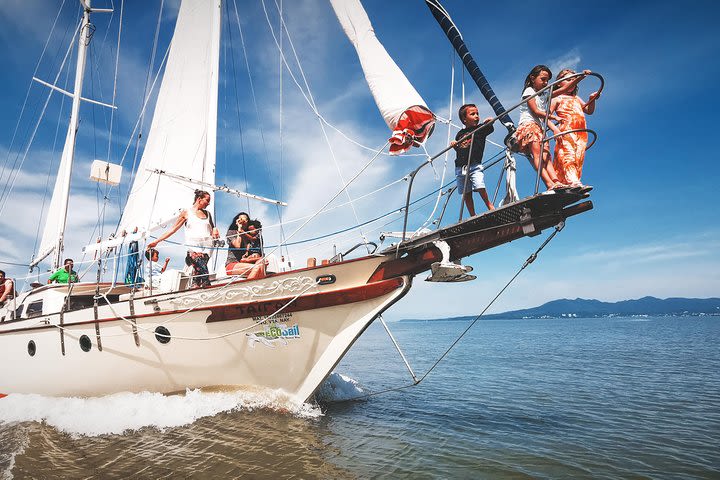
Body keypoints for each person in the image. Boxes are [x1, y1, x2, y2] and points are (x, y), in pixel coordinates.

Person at [514, 65, 588, 190]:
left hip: (539, 128)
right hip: (529, 125)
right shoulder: (529, 91)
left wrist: (580, 78)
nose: (545, 83)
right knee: (538, 156)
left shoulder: (545, 94)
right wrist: (555, 119)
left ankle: (557, 182)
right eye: (543, 79)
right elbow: (536, 111)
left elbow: (564, 88)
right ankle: (550, 184)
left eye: (547, 80)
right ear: (533, 78)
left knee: (546, 157)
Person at [147, 189, 220, 288]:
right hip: (193, 249)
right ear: (199, 199)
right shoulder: (186, 213)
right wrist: (156, 242)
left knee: (198, 275)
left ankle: (194, 290)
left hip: (207, 249)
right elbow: (173, 229)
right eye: (207, 200)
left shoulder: (208, 214)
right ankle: (208, 288)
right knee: (204, 273)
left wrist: (215, 229)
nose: (209, 203)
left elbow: (212, 228)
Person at [549, 68, 600, 188]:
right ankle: (573, 182)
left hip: (581, 133)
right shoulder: (557, 98)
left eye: (573, 79)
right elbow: (546, 117)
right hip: (567, 130)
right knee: (568, 155)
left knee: (578, 158)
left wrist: (592, 99)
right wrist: (555, 130)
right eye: (568, 80)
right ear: (559, 83)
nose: (572, 81)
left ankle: (570, 182)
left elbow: (589, 111)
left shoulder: (576, 98)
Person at [450, 104, 495, 216]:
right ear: (464, 119)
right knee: (466, 192)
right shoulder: (460, 134)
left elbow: (489, 128)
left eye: (477, 113)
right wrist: (455, 145)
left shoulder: (480, 129)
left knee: (479, 184)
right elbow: (460, 150)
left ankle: (489, 205)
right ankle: (472, 214)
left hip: (474, 164)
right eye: (472, 114)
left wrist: (491, 122)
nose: (476, 116)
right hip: (461, 166)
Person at [225, 215, 266, 280]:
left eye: (245, 219)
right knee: (257, 267)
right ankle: (248, 287)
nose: (242, 220)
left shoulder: (248, 235)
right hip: (233, 264)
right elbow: (237, 246)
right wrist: (239, 229)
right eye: (240, 218)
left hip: (245, 263)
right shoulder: (231, 232)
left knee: (262, 263)